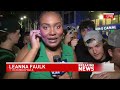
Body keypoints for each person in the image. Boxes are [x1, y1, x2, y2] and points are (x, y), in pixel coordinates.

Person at [4, 11, 79, 79]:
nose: (52, 32)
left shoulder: (70, 52)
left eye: (57, 26)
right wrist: (34, 50)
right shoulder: (28, 50)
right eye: (45, 27)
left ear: (63, 29)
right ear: (38, 29)